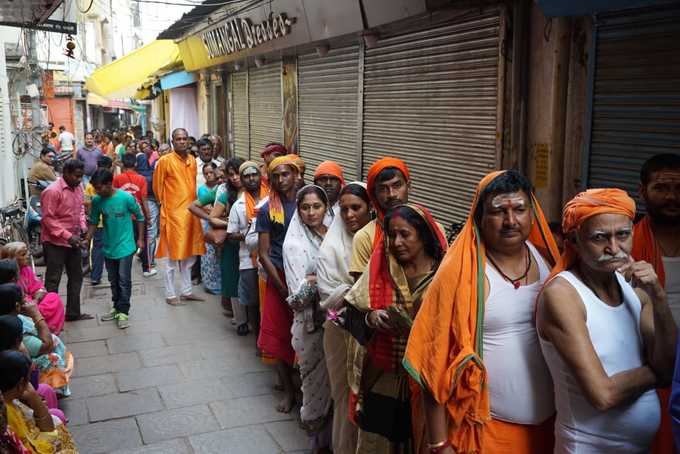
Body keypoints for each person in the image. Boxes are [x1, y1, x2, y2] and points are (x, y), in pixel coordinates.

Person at [403, 170, 559, 454]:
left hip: (551, 429)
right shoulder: (459, 273)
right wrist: (439, 444)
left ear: (533, 213)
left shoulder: (547, 258)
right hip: (484, 432)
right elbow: (432, 361)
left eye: (519, 210)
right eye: (499, 211)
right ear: (479, 217)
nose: (511, 221)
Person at [536, 188, 676, 454]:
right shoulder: (563, 295)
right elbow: (603, 394)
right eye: (600, 237)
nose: (613, 248)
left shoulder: (636, 288)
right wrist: (656, 372)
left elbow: (668, 368)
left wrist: (658, 296)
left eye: (622, 235)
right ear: (574, 242)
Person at [341, 203, 447, 452]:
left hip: (426, 383)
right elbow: (352, 314)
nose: (396, 242)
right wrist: (371, 318)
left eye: (405, 234)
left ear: (423, 234)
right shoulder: (381, 269)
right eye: (391, 235)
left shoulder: (444, 272)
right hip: (384, 376)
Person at [316, 182, 371, 454]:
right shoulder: (332, 248)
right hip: (340, 332)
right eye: (345, 209)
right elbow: (327, 294)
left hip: (372, 335)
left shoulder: (382, 240)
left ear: (370, 209)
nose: (350, 215)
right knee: (345, 396)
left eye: (357, 208)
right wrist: (358, 291)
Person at [632, 153, 680, 454]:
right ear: (643, 192)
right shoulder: (627, 242)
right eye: (661, 188)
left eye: (679, 188)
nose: (672, 197)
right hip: (647, 363)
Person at [283, 185, 332, 451]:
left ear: (326, 207)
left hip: (338, 324)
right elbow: (298, 295)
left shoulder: (335, 234)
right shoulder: (294, 244)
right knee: (314, 387)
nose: (312, 212)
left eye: (317, 206)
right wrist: (320, 280)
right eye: (305, 207)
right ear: (298, 211)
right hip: (311, 326)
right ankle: (317, 444)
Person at [256, 154, 300, 413]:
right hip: (279, 279)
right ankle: (289, 392)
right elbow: (263, 253)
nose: (282, 179)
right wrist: (283, 289)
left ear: (296, 175)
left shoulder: (309, 203)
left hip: (306, 279)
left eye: (286, 174)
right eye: (276, 175)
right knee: (280, 336)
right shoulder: (266, 210)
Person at [84, 169, 145, 329]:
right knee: (113, 279)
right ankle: (116, 306)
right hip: (108, 246)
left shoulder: (126, 198)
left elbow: (140, 217)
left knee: (124, 279)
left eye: (99, 188)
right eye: (95, 188)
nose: (97, 191)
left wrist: (140, 239)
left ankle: (124, 311)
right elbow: (93, 221)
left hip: (126, 245)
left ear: (109, 184)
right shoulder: (97, 201)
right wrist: (87, 239)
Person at [153, 128, 206, 305]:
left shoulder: (192, 160)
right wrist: (166, 210)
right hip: (173, 216)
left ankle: (186, 291)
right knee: (172, 257)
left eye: (185, 139)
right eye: (178, 139)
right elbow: (157, 189)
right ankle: (170, 294)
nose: (182, 142)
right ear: (172, 141)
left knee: (189, 256)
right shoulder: (164, 161)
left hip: (191, 214)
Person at [0, 283, 73, 397]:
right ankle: (55, 387)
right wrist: (36, 314)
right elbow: (47, 345)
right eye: (25, 298)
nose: (28, 300)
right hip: (18, 370)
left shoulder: (15, 318)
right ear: (17, 306)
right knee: (52, 357)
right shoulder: (14, 327)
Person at [40, 159, 91, 322]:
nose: (79, 179)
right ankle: (50, 316)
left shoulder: (78, 187)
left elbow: (80, 209)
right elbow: (48, 219)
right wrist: (68, 236)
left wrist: (82, 227)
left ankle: (73, 313)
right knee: (53, 280)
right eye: (76, 176)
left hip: (73, 240)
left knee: (76, 276)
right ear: (66, 173)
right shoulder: (52, 191)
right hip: (55, 242)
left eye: (81, 176)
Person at [0, 350, 78, 453]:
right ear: (21, 383)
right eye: (29, 378)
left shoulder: (10, 400)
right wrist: (34, 398)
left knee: (56, 420)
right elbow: (31, 445)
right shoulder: (9, 414)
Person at [349, 158, 411, 279]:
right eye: (383, 189)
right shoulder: (365, 238)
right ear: (374, 194)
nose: (392, 194)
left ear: (408, 186)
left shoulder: (432, 228)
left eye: (397, 185)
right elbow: (361, 293)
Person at [227, 161, 269, 337]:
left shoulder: (272, 199)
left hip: (271, 257)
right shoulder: (238, 206)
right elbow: (231, 235)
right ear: (242, 180)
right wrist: (251, 234)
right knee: (252, 301)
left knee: (269, 302)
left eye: (254, 175)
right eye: (247, 176)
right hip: (249, 259)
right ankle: (258, 338)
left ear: (260, 177)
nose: (251, 179)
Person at [0, 243, 65, 335]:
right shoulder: (6, 274)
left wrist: (35, 300)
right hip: (19, 307)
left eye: (27, 253)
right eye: (23, 254)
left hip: (33, 303)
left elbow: (39, 288)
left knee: (53, 297)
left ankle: (49, 329)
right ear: (12, 259)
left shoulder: (27, 269)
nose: (28, 256)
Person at [209, 158, 244, 318]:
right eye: (231, 175)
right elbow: (213, 218)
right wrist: (230, 224)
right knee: (232, 278)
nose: (235, 177)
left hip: (251, 244)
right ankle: (240, 319)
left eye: (238, 173)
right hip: (232, 243)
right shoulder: (227, 194)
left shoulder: (258, 190)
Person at [113, 153, 155, 278]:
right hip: (139, 217)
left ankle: (121, 269)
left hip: (122, 217)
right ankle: (146, 269)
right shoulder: (141, 179)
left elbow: (114, 198)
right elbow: (144, 199)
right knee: (143, 241)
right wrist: (148, 217)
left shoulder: (117, 179)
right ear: (135, 164)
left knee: (122, 242)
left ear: (123, 164)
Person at [188, 163, 222, 295]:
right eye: (206, 173)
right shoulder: (202, 190)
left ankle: (219, 283)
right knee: (208, 255)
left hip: (217, 223)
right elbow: (204, 207)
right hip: (207, 224)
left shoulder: (221, 188)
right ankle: (210, 283)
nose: (209, 175)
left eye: (211, 172)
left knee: (217, 255)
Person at [136, 143, 160, 268]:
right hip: (151, 203)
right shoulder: (151, 173)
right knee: (151, 231)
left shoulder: (135, 175)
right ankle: (149, 259)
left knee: (142, 229)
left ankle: (143, 254)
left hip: (136, 205)